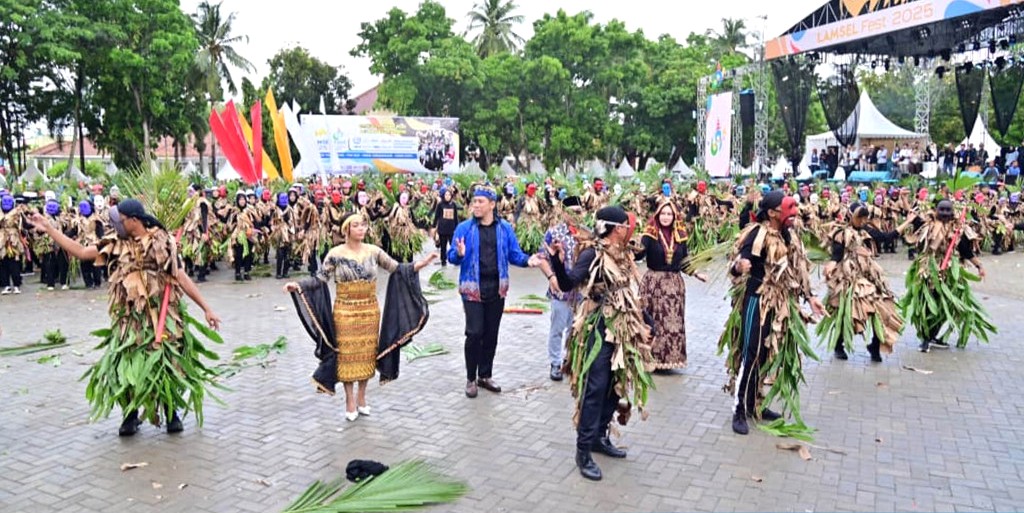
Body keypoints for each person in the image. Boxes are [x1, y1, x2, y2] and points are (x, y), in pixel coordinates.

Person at [26, 198, 222, 436]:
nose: (115, 224)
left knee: (166, 360)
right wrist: (49, 228)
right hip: (129, 318)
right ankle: (130, 415)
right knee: (127, 361)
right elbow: (81, 252)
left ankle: (171, 413)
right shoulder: (114, 243)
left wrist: (206, 308)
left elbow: (180, 276)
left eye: (120, 220)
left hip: (161, 315)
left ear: (134, 220)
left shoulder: (161, 241)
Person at [536, 205, 654, 481]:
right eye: (624, 225)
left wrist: (647, 321)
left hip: (621, 327)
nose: (628, 229)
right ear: (613, 228)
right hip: (598, 327)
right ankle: (583, 451)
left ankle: (600, 437)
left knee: (615, 384)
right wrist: (556, 262)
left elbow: (627, 292)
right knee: (596, 386)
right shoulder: (592, 253)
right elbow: (569, 284)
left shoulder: (622, 254)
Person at [285, 214, 436, 420]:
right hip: (345, 311)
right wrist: (298, 286)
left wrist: (422, 263)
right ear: (346, 230)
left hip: (369, 311)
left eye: (363, 225)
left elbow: (398, 269)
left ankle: (362, 397)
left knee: (366, 354)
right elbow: (320, 278)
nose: (361, 229)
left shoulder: (374, 251)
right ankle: (349, 400)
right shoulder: (335, 254)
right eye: (356, 226)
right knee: (347, 356)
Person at [720, 191, 826, 436]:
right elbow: (737, 263)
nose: (792, 211)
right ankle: (739, 409)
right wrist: (739, 267)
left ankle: (753, 403)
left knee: (765, 354)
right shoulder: (757, 234)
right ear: (771, 213)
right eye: (785, 207)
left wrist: (810, 298)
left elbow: (796, 271)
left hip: (779, 303)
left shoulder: (789, 235)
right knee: (752, 353)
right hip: (756, 300)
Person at [448, 186, 535, 398]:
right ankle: (471, 378)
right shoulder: (464, 228)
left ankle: (485, 375)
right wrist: (459, 254)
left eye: (480, 201)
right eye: (474, 201)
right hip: (472, 289)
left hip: (497, 288)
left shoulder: (504, 228)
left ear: (492, 204)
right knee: (474, 332)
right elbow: (451, 257)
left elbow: (514, 254)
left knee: (491, 334)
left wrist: (529, 261)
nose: (476, 205)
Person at [900, 199, 996, 352]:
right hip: (929, 269)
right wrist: (904, 200)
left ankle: (933, 335)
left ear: (952, 212)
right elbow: (912, 216)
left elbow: (965, 251)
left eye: (947, 210)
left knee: (946, 306)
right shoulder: (928, 225)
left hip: (950, 271)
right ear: (936, 211)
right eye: (942, 210)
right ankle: (925, 339)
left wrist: (979, 266)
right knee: (929, 305)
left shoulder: (957, 230)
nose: (944, 213)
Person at [819, 203, 908, 362]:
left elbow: (886, 237)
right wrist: (832, 263)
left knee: (880, 308)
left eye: (865, 218)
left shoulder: (866, 230)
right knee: (848, 311)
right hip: (848, 277)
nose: (863, 221)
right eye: (860, 217)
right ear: (850, 215)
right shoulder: (841, 232)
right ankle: (839, 345)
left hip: (867, 276)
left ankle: (875, 345)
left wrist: (908, 221)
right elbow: (837, 253)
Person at [635, 199, 707, 371]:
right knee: (653, 320)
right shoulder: (650, 235)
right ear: (657, 215)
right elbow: (639, 254)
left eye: (669, 214)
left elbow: (684, 260)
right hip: (653, 285)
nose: (666, 217)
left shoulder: (680, 236)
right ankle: (650, 358)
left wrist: (696, 273)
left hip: (674, 287)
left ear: (675, 217)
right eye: (663, 213)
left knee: (671, 324)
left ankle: (669, 359)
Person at [538, 196, 587, 381]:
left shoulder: (586, 234)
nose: (576, 216)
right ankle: (555, 363)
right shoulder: (554, 233)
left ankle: (571, 360)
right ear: (564, 213)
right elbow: (542, 258)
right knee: (557, 328)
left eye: (579, 212)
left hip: (581, 291)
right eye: (572, 212)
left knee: (576, 328)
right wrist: (551, 277)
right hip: (560, 291)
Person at [0, 192, 24, 294]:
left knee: (14, 263)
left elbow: (23, 226)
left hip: (13, 240)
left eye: (8, 202)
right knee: (3, 263)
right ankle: (6, 285)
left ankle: (16, 285)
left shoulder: (17, 213)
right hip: (2, 240)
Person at [432, 187, 459, 267]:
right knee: (443, 246)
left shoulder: (453, 204)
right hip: (442, 229)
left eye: (449, 195)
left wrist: (457, 227)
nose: (447, 196)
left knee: (453, 245)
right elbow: (437, 216)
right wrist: (433, 226)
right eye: (446, 195)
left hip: (451, 229)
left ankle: (455, 259)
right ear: (443, 196)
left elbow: (455, 217)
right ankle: (443, 260)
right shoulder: (440, 204)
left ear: (451, 196)